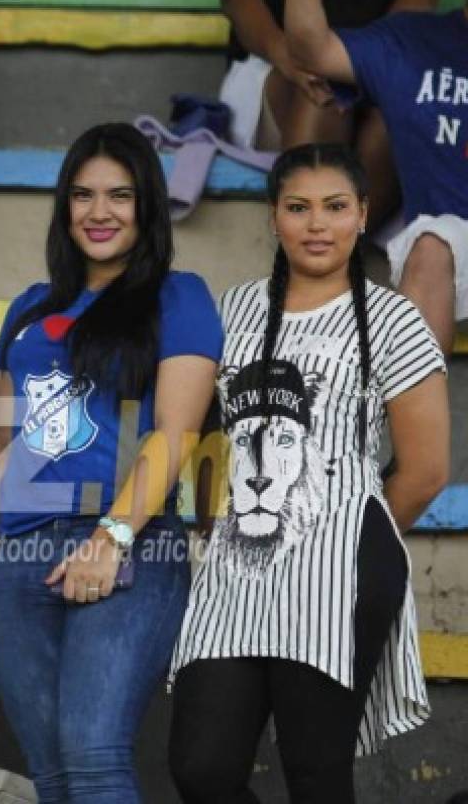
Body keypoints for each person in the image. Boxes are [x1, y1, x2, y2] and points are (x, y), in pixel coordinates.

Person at [0, 123, 223, 803]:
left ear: (148, 207)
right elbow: (2, 449)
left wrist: (111, 538)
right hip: (17, 559)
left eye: (119, 196)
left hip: (127, 550)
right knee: (55, 773)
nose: (98, 212)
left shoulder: (178, 297)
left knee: (94, 757)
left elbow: (176, 433)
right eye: (82, 195)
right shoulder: (29, 309)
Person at [169, 143, 449, 803]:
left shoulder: (392, 318)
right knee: (202, 769)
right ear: (274, 217)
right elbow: (207, 432)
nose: (317, 224)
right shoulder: (231, 311)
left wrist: (348, 533)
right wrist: (218, 526)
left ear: (362, 215)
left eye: (335, 207)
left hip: (343, 562)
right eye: (298, 207)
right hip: (240, 561)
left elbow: (426, 470)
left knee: (315, 769)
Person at [285, 0, 468, 353]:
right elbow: (313, 51)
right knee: (431, 243)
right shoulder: (410, 40)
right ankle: (409, 409)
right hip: (454, 237)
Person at [219, 0, 435, 231]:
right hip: (274, 63)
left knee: (399, 112)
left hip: (376, 66)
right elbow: (238, 3)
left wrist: (362, 68)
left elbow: (412, 9)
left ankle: (332, 252)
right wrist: (289, 58)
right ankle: (312, 247)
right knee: (324, 96)